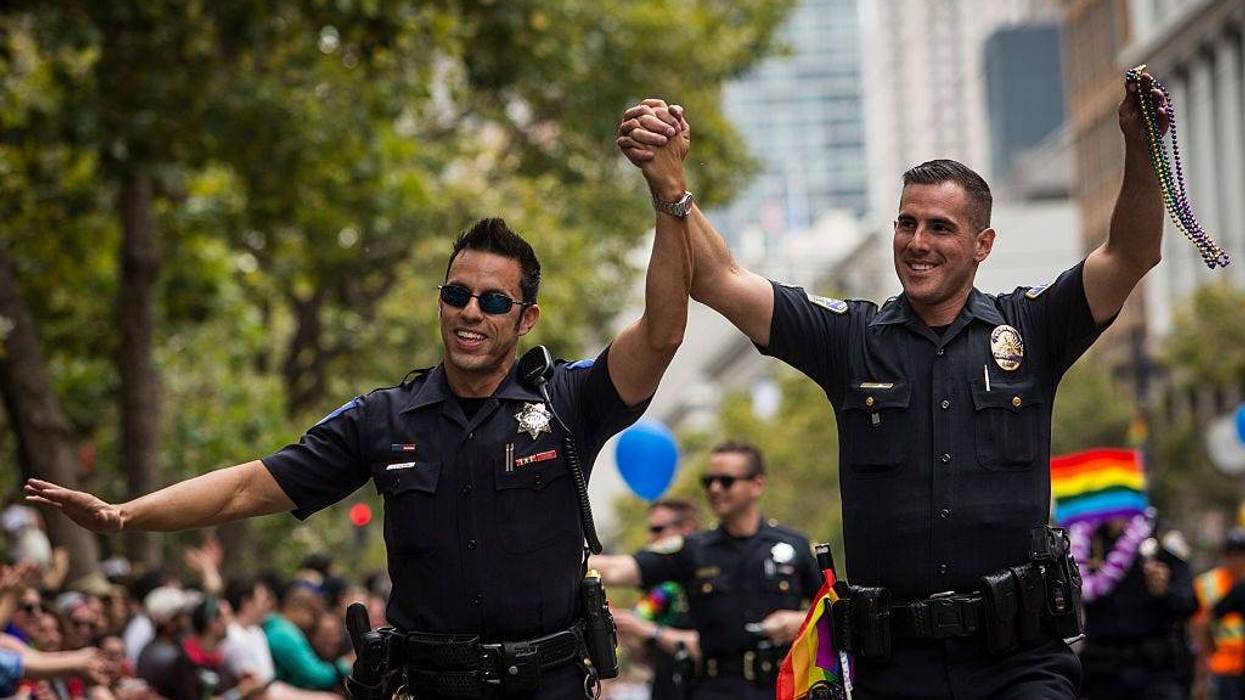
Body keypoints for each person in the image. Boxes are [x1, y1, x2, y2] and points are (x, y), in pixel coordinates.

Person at [25, 112, 694, 698]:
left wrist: (668, 197)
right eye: (455, 294)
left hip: (549, 685)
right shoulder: (384, 418)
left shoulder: (566, 402)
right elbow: (244, 490)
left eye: (492, 301)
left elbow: (661, 332)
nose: (469, 312)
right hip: (427, 685)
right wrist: (124, 515)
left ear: (525, 319)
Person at [613, 68, 1170, 699]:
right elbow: (718, 280)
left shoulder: (1034, 327)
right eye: (906, 224)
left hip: (1021, 662)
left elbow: (1129, 254)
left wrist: (1138, 147)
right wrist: (672, 188)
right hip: (894, 667)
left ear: (983, 243)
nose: (917, 242)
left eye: (940, 227)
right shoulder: (849, 339)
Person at [590, 441, 821, 699]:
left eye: (726, 481)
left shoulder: (793, 545)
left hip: (784, 688)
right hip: (715, 688)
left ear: (757, 484)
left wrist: (800, 622)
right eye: (708, 480)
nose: (714, 489)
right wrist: (560, 560)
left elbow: (834, 609)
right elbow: (620, 569)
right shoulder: (692, 550)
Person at [1076, 516, 1196, 700]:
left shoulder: (1161, 538)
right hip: (1100, 673)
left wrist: (1164, 592)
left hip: (1155, 672)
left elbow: (1189, 604)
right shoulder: (1082, 541)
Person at [612, 499, 701, 700]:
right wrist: (626, 630)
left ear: (687, 529)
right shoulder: (659, 589)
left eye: (658, 529)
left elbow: (706, 646)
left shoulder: (706, 578)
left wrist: (643, 629)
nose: (650, 537)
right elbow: (642, 656)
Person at [1193, 529, 1245, 700]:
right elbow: (1202, 623)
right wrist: (1203, 668)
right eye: (1234, 555)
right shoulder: (1208, 583)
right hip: (1223, 664)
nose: (1239, 561)